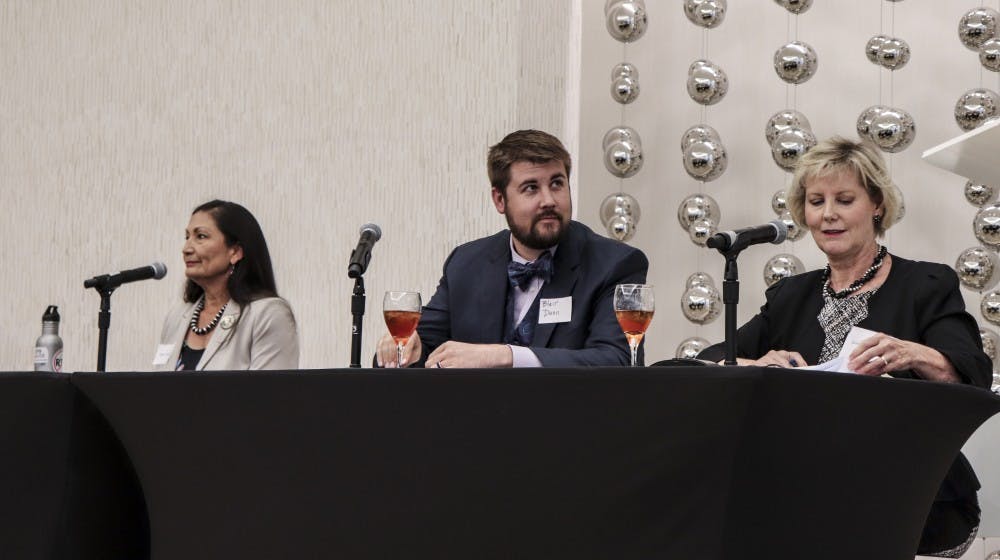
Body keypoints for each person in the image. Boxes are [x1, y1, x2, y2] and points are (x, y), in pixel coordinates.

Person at [699, 136, 991, 557]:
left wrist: (914, 352)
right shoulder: (790, 296)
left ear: (876, 204)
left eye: (844, 199)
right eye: (816, 201)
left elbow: (971, 372)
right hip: (803, 493)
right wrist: (757, 362)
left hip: (910, 495)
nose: (828, 214)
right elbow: (708, 360)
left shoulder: (925, 284)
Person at [376, 129, 648, 368]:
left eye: (557, 183)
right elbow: (425, 347)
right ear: (499, 199)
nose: (548, 200)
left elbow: (618, 360)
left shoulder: (615, 264)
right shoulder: (466, 263)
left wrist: (506, 355)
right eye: (531, 188)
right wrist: (403, 347)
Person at [154, 200, 298, 370]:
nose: (186, 248)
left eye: (201, 236)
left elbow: (270, 394)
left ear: (235, 252)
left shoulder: (267, 314)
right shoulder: (177, 317)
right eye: (187, 237)